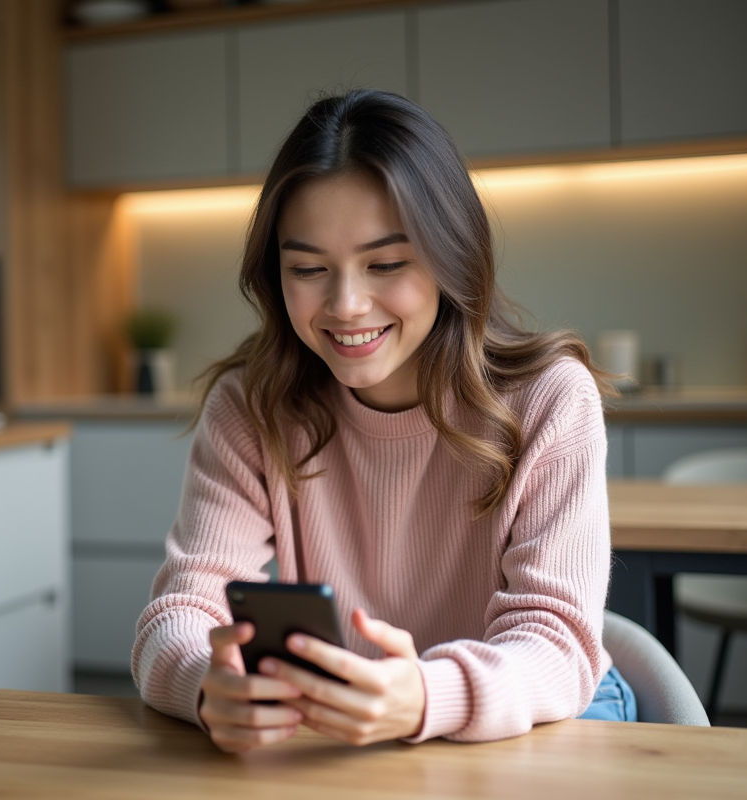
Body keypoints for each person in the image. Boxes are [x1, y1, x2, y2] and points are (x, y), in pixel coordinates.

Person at [131, 89, 636, 752]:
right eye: (308, 269)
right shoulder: (253, 407)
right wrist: (207, 683)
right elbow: (180, 611)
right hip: (354, 725)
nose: (345, 304)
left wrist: (427, 695)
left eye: (387, 264)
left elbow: (555, 644)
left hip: (534, 713)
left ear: (452, 253)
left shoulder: (550, 400)